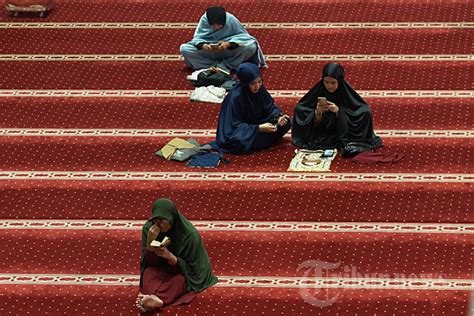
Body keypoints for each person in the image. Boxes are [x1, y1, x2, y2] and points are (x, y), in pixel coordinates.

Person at [136, 198, 217, 313]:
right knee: (148, 273)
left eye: (164, 221)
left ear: (172, 219)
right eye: (156, 221)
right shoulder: (149, 230)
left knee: (180, 282)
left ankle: (158, 300)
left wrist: (171, 257)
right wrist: (149, 245)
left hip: (181, 273)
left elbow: (195, 273)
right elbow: (148, 264)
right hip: (160, 269)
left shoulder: (189, 235)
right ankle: (153, 299)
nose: (159, 225)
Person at [291, 63, 383, 156]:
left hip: (341, 129)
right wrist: (317, 112)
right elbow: (302, 108)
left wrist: (339, 112)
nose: (329, 86)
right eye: (326, 82)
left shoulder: (345, 91)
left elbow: (363, 109)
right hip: (322, 132)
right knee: (300, 110)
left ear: (339, 81)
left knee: (365, 112)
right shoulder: (319, 90)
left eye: (333, 83)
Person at [211, 62, 291, 154]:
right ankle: (258, 142)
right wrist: (258, 128)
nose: (257, 86)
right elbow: (232, 128)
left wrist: (278, 117)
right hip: (244, 131)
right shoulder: (235, 98)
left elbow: (270, 108)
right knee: (239, 141)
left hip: (259, 124)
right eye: (253, 83)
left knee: (287, 122)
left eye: (260, 81)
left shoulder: (260, 90)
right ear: (245, 83)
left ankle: (256, 143)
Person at [179, 6, 266, 72]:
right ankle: (212, 66)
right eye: (213, 25)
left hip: (228, 51)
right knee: (185, 49)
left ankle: (226, 66)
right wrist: (203, 45)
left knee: (251, 47)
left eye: (219, 25)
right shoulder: (205, 20)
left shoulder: (230, 19)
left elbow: (244, 37)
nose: (216, 27)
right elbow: (197, 39)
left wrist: (228, 44)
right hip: (210, 51)